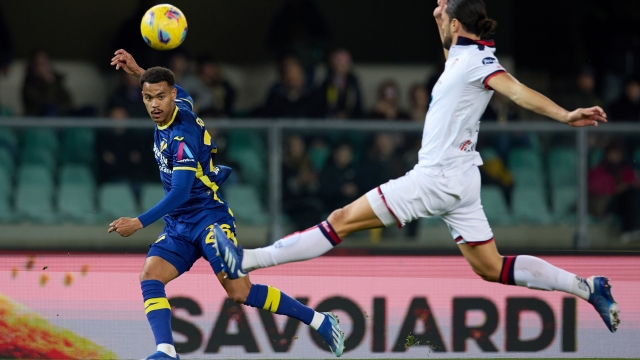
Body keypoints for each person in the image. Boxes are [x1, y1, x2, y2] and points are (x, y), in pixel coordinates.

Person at [215, 0, 619, 335]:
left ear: (458, 23)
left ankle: (247, 260)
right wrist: (442, 20)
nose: (436, 10)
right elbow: (451, 49)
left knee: (339, 221)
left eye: (443, 10)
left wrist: (566, 115)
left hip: (437, 178)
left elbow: (516, 91)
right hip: (460, 179)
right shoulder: (462, 55)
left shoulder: (480, 62)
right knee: (492, 267)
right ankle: (587, 287)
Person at [107, 50, 344, 360]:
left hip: (207, 219)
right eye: (148, 97)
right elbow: (161, 86)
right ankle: (166, 351)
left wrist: (138, 222)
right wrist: (138, 69)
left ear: (172, 95)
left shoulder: (181, 137)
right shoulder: (180, 102)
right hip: (179, 226)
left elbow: (179, 193)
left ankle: (320, 320)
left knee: (240, 293)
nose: (154, 104)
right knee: (150, 276)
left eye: (160, 97)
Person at [22, 50, 72, 117]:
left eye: (45, 62)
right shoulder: (29, 85)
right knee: (50, 109)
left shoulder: (56, 81)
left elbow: (68, 102)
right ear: (33, 66)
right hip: (40, 118)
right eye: (40, 63)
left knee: (87, 111)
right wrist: (50, 83)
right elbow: (43, 104)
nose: (44, 67)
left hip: (61, 115)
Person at [319, 49, 363, 119]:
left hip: (350, 119)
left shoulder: (352, 81)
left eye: (343, 64)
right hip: (331, 119)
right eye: (337, 64)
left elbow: (357, 103)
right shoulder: (329, 81)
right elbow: (327, 103)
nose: (340, 67)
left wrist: (347, 114)